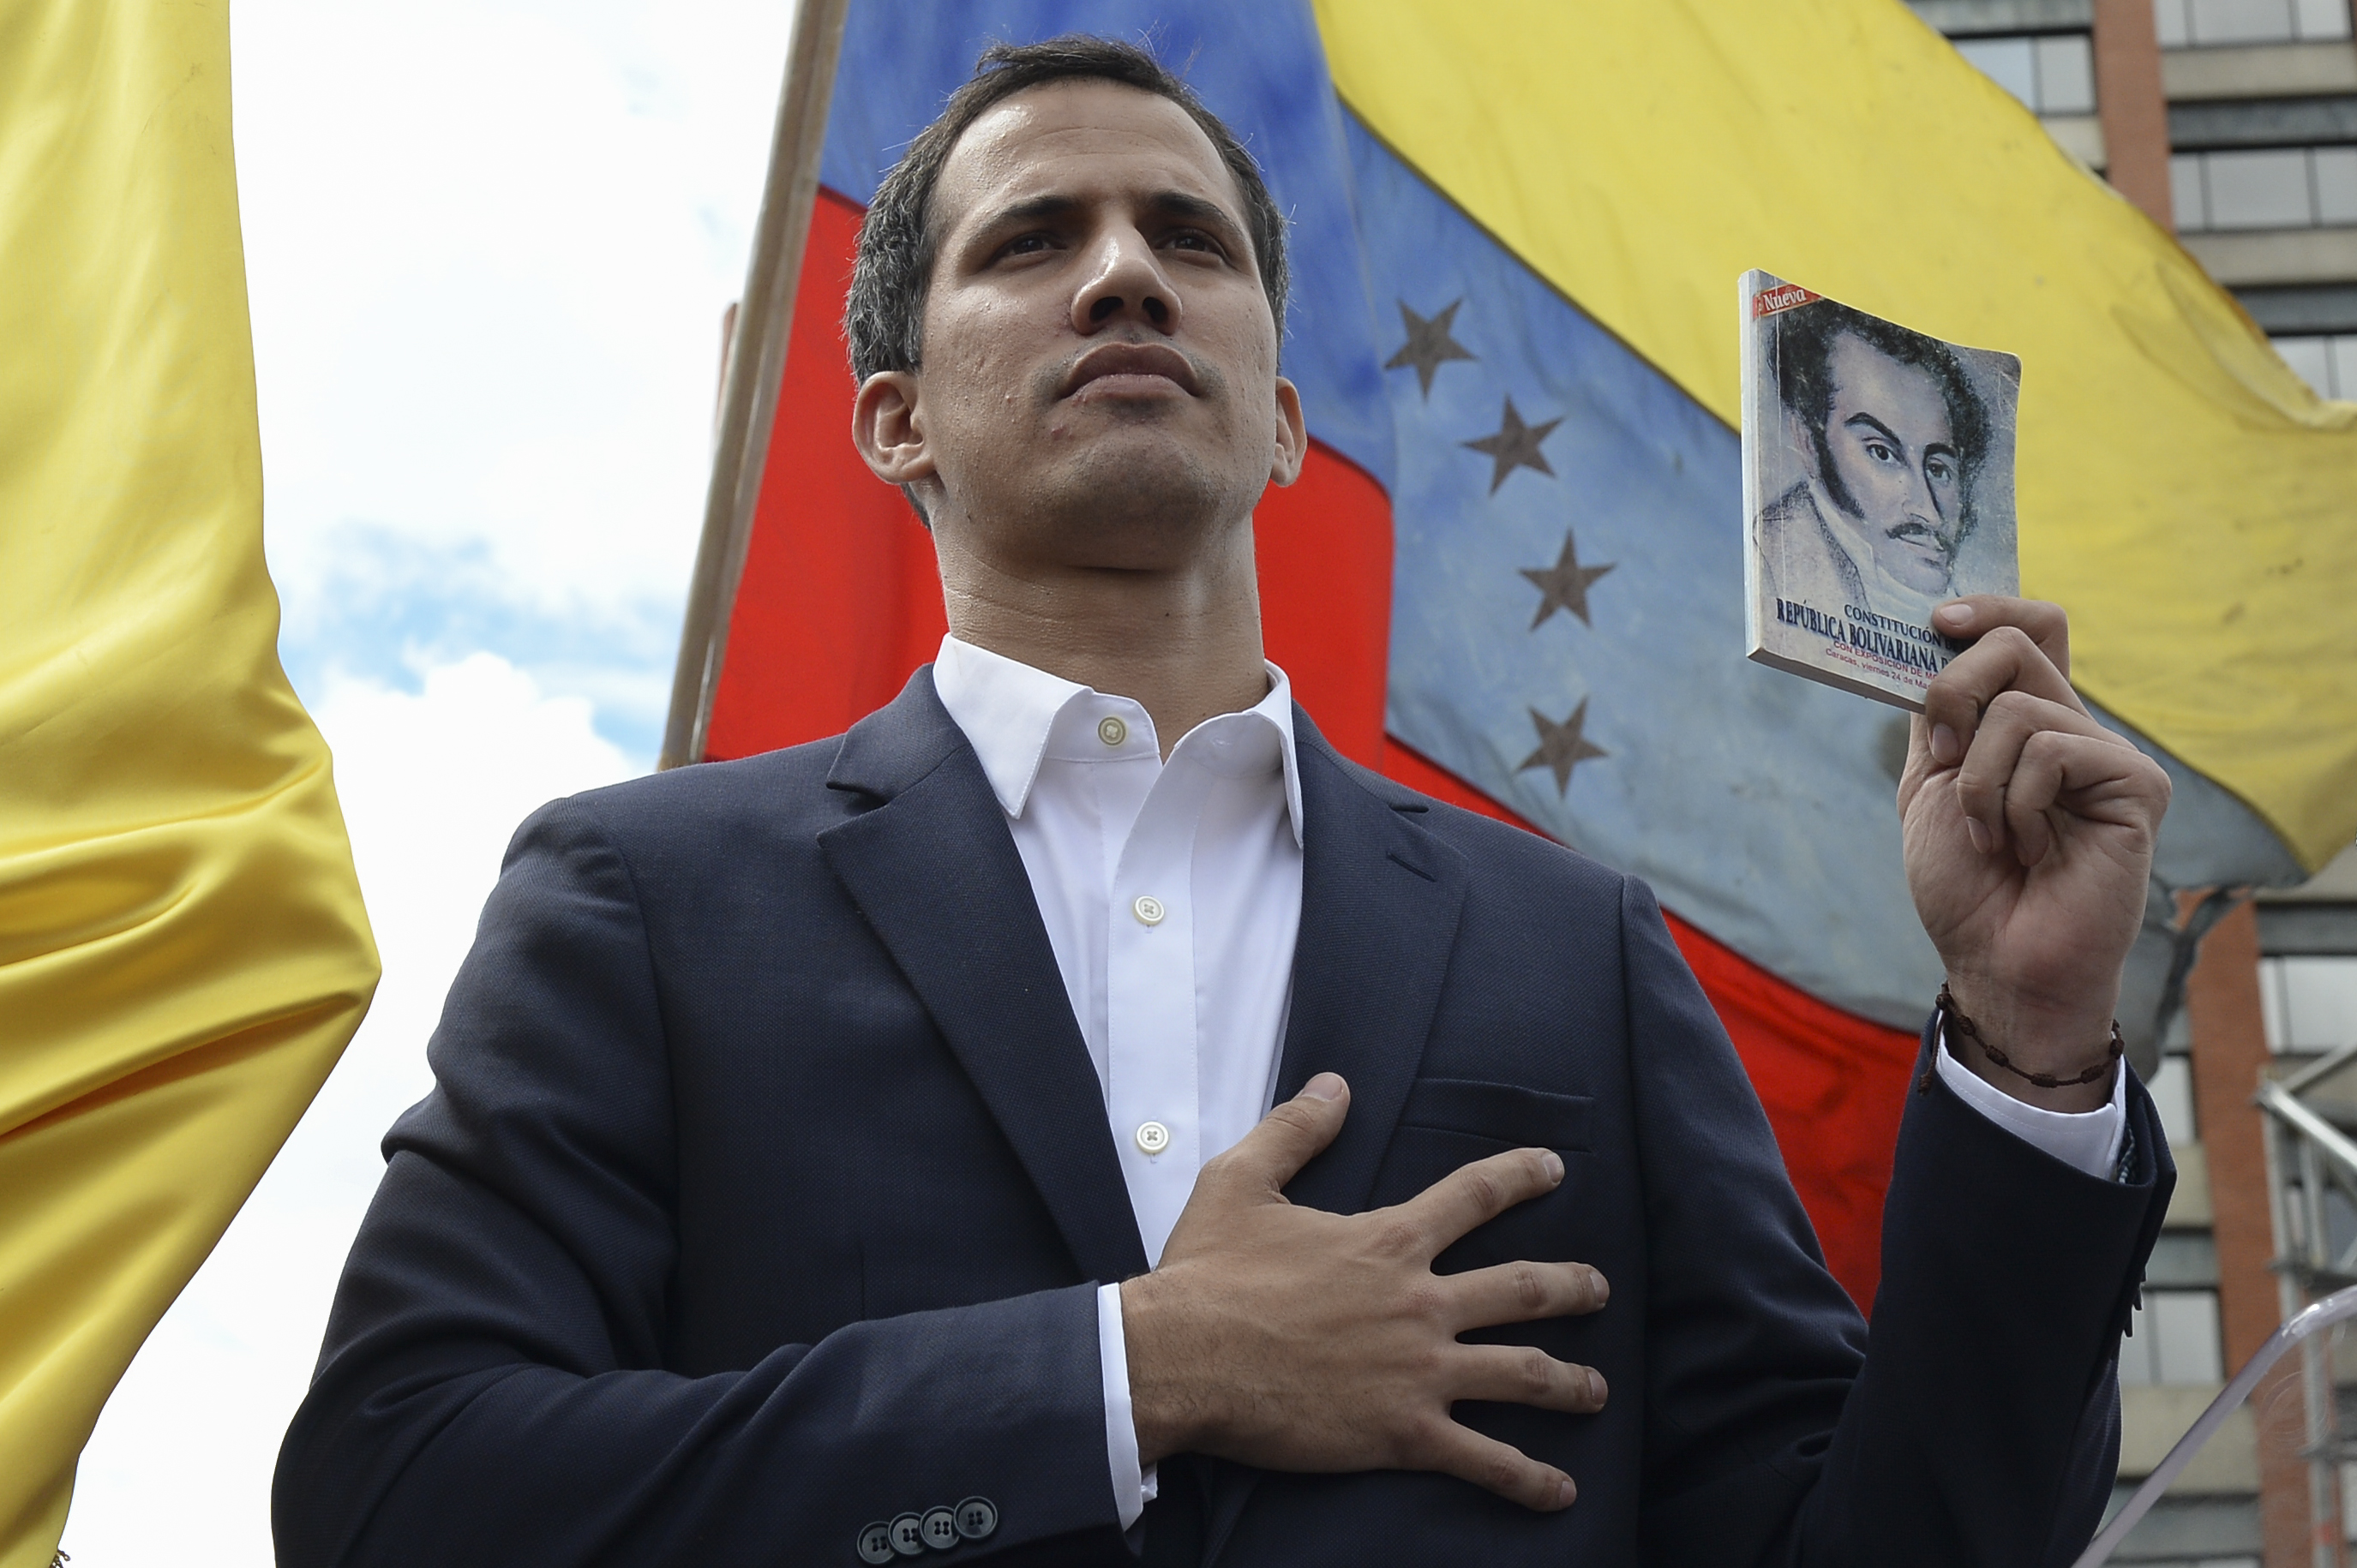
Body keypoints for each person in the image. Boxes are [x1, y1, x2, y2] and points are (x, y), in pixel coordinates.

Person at [275, 36, 2175, 1568]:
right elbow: (397, 1487)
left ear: (1279, 414)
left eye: (1189, 241)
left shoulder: (1570, 946)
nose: (1121, 272)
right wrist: (1125, 1373)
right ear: (892, 417)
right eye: (1029, 244)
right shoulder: (641, 899)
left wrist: (2028, 1058)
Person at [1756, 299, 1994, 625]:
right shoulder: (1765, 562)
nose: (1927, 510)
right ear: (1808, 443)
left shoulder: (1971, 606)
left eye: (1937, 469)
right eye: (1882, 453)